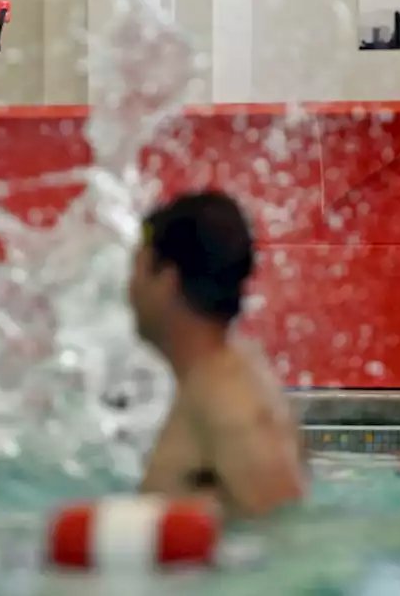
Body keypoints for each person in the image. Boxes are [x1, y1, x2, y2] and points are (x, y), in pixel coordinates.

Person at [128, 190, 308, 520]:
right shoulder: (214, 384)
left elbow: (286, 540)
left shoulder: (230, 405)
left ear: (167, 282)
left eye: (137, 271)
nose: (129, 290)